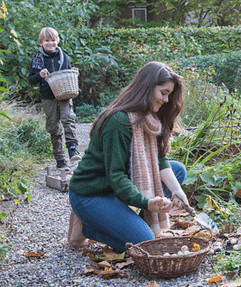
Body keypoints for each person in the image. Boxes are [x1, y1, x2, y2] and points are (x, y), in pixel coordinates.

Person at [67, 61, 195, 252]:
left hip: (115, 189)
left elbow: (159, 159)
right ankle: (89, 226)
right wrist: (146, 203)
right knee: (144, 244)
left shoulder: (150, 118)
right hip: (92, 193)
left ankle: (127, 222)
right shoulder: (118, 121)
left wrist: (178, 192)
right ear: (148, 87)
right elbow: (116, 175)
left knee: (177, 171)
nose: (166, 100)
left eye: (169, 94)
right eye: (164, 92)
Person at [28, 27, 81, 170]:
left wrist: (73, 71)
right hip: (48, 97)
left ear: (57, 40)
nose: (50, 43)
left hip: (64, 94)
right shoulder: (37, 59)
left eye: (53, 40)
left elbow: (67, 72)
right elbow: (31, 80)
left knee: (68, 118)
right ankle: (60, 159)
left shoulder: (63, 56)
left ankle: (72, 147)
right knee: (54, 127)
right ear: (41, 42)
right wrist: (40, 75)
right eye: (47, 41)